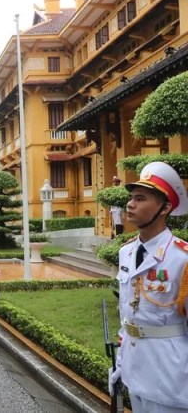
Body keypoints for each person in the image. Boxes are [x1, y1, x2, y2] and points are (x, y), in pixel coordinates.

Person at [109, 162, 188, 412]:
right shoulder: (126, 252)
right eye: (131, 198)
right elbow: (127, 315)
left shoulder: (182, 258)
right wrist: (120, 364)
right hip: (134, 366)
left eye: (140, 199)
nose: (130, 204)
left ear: (164, 208)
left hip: (170, 374)